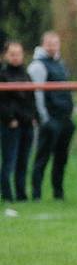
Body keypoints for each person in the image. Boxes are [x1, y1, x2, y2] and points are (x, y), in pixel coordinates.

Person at [28, 31, 75, 201]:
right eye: (49, 43)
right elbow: (37, 93)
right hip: (50, 119)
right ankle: (36, 194)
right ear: (43, 44)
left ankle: (58, 193)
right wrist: (44, 118)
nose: (53, 46)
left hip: (65, 119)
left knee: (61, 159)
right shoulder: (37, 66)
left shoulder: (60, 64)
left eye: (56, 43)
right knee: (42, 158)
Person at [0, 41, 36, 202]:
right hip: (11, 125)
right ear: (5, 56)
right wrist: (9, 118)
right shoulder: (3, 75)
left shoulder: (26, 75)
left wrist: (34, 117)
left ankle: (22, 195)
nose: (16, 57)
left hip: (27, 124)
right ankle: (7, 195)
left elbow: (31, 98)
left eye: (19, 54)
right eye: (12, 54)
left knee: (23, 161)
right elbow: (2, 102)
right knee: (10, 161)